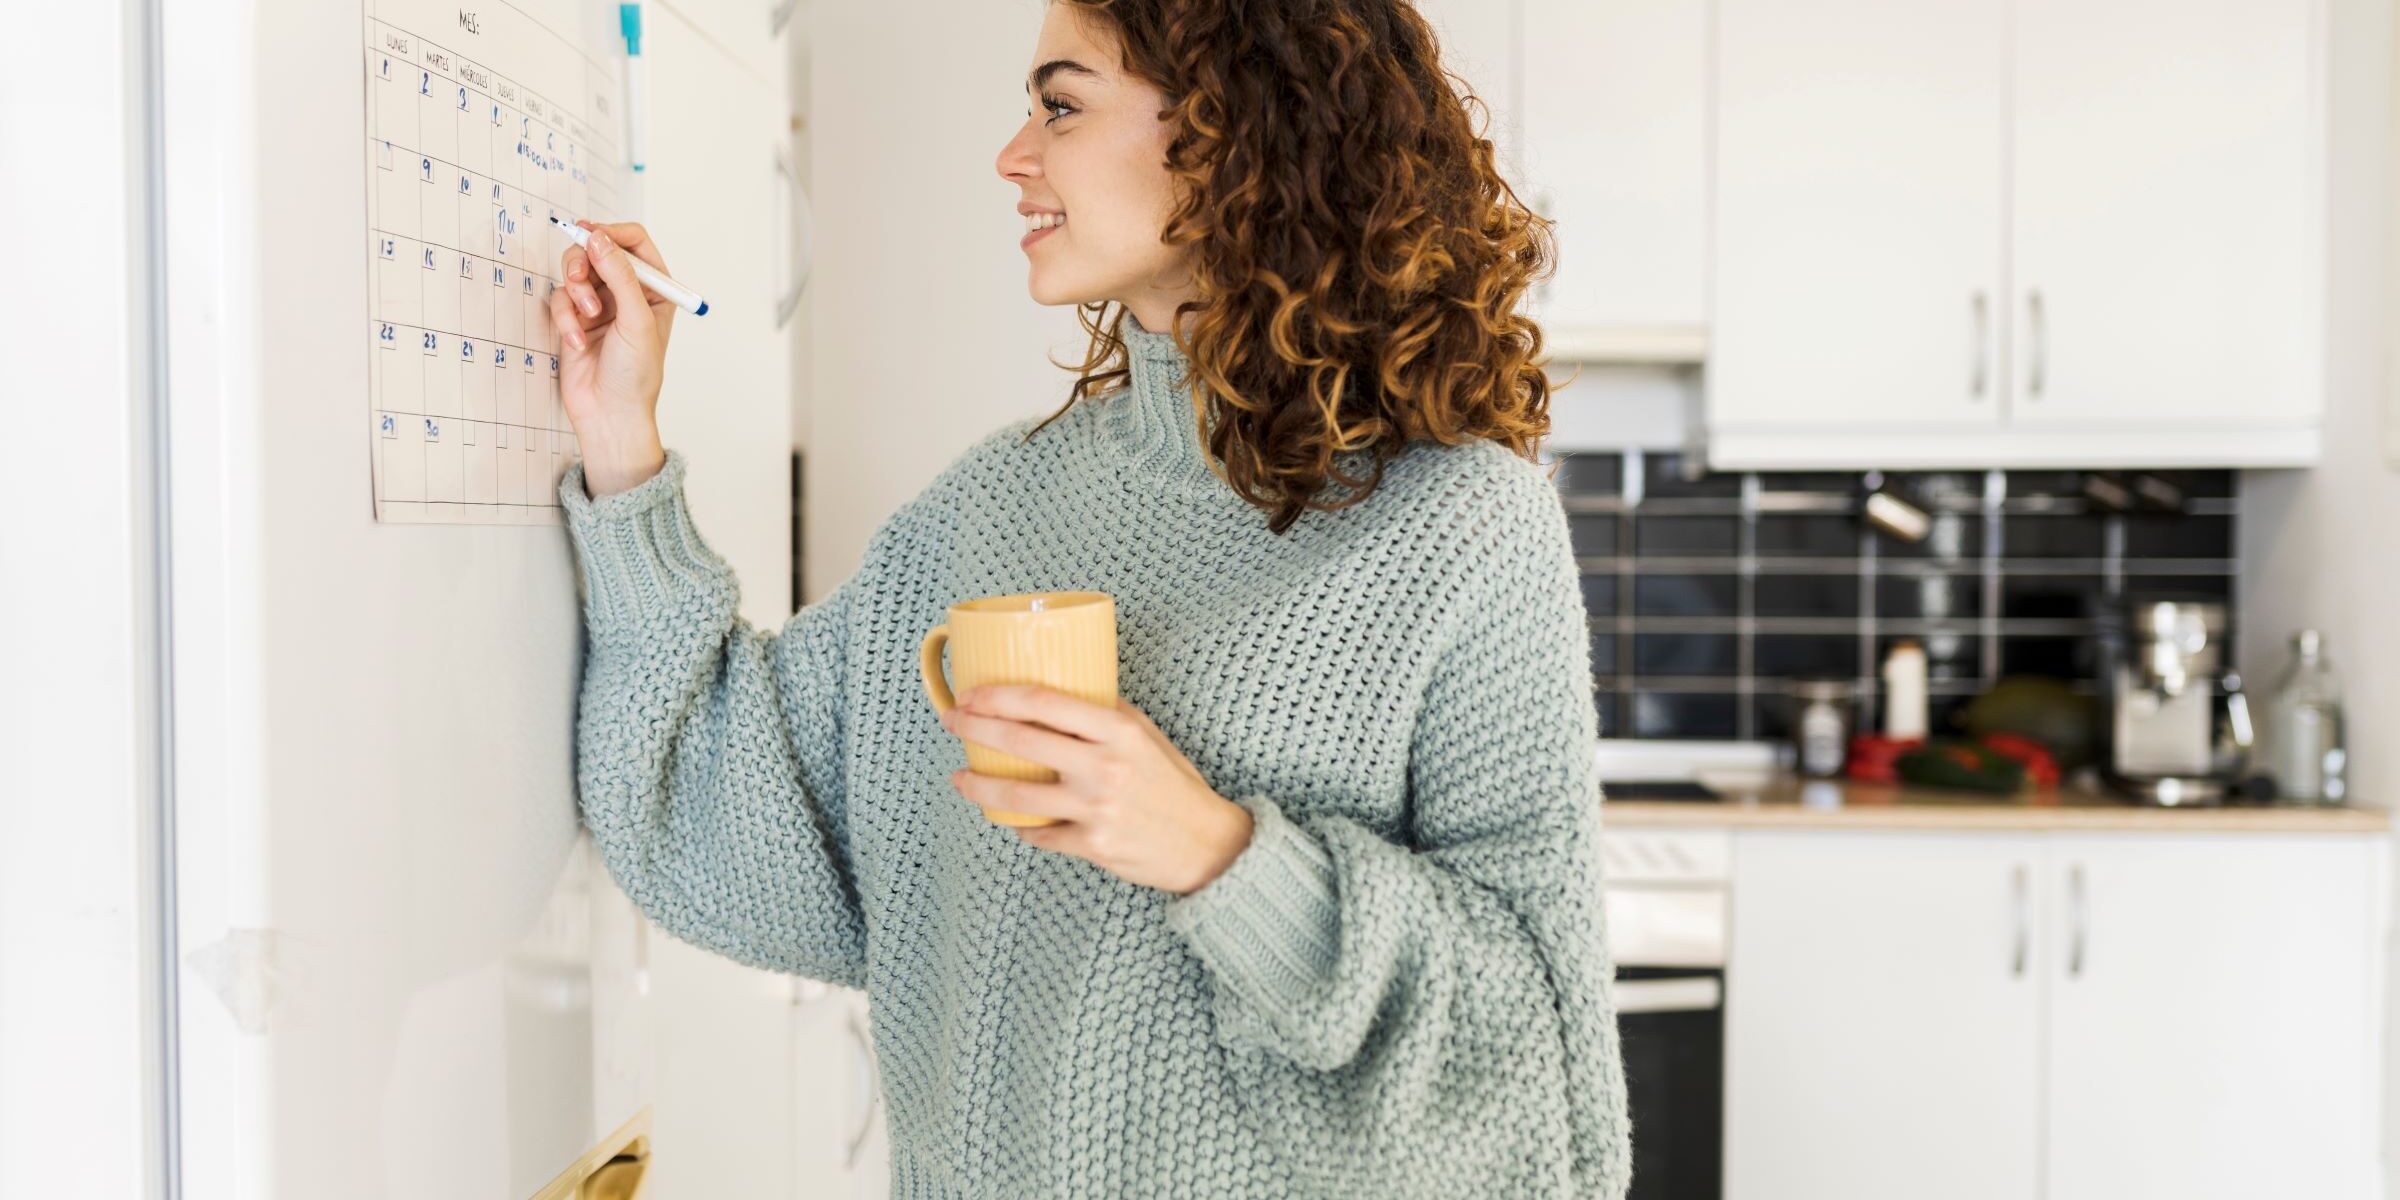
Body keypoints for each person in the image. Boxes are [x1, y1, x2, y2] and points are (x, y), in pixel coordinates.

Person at [544, 1, 1630, 1195]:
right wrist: (622, 448)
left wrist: (1222, 859)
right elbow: (714, 812)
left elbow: (1541, 1077)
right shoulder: (990, 508)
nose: (1013, 155)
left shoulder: (1464, 526)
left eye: (1062, 105)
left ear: (1240, 129)